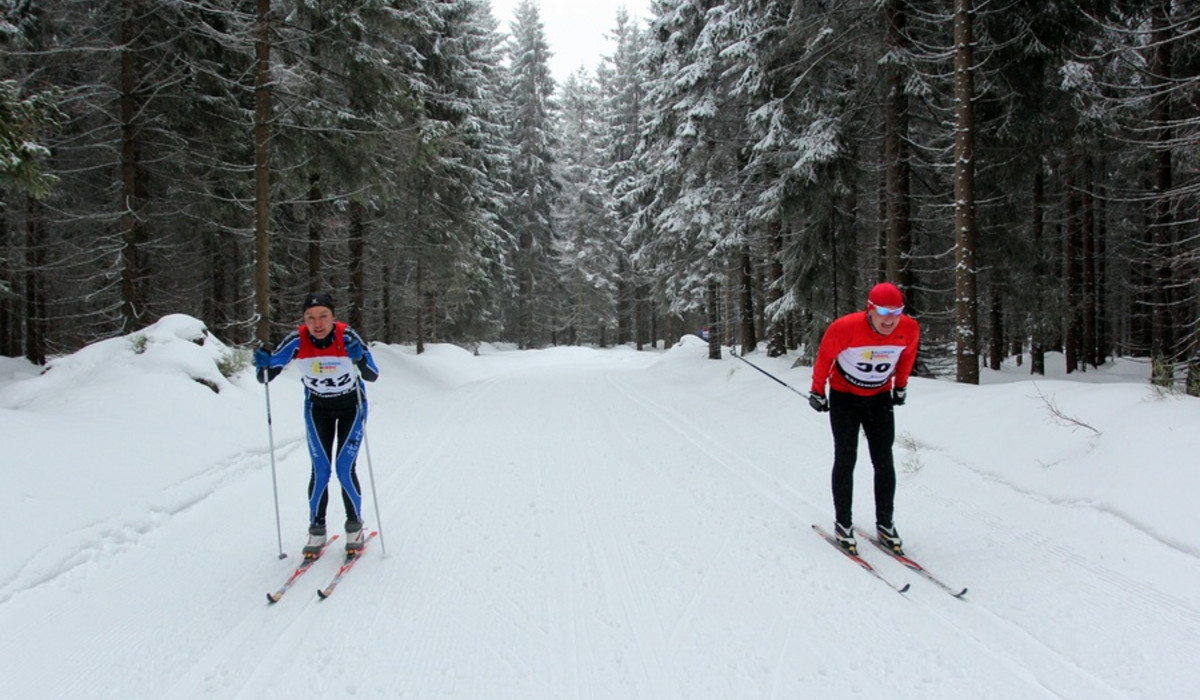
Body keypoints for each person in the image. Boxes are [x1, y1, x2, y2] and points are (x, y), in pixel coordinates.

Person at [255, 292, 380, 558]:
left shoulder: (347, 337)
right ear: (304, 320)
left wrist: (359, 358)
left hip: (351, 408)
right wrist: (262, 363)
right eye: (310, 317)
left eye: (323, 316)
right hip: (317, 409)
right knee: (321, 469)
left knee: (344, 467)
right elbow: (266, 375)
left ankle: (354, 525)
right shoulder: (296, 340)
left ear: (333, 317)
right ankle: (317, 527)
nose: (317, 323)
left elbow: (373, 375)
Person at [808, 282, 919, 555]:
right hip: (845, 397)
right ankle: (843, 524)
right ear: (870, 309)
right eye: (883, 311)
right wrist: (817, 390)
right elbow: (825, 358)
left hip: (879, 397)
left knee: (884, 460)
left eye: (897, 312)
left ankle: (885, 523)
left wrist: (901, 385)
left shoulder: (908, 329)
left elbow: (907, 356)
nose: (890, 319)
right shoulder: (845, 328)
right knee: (846, 458)